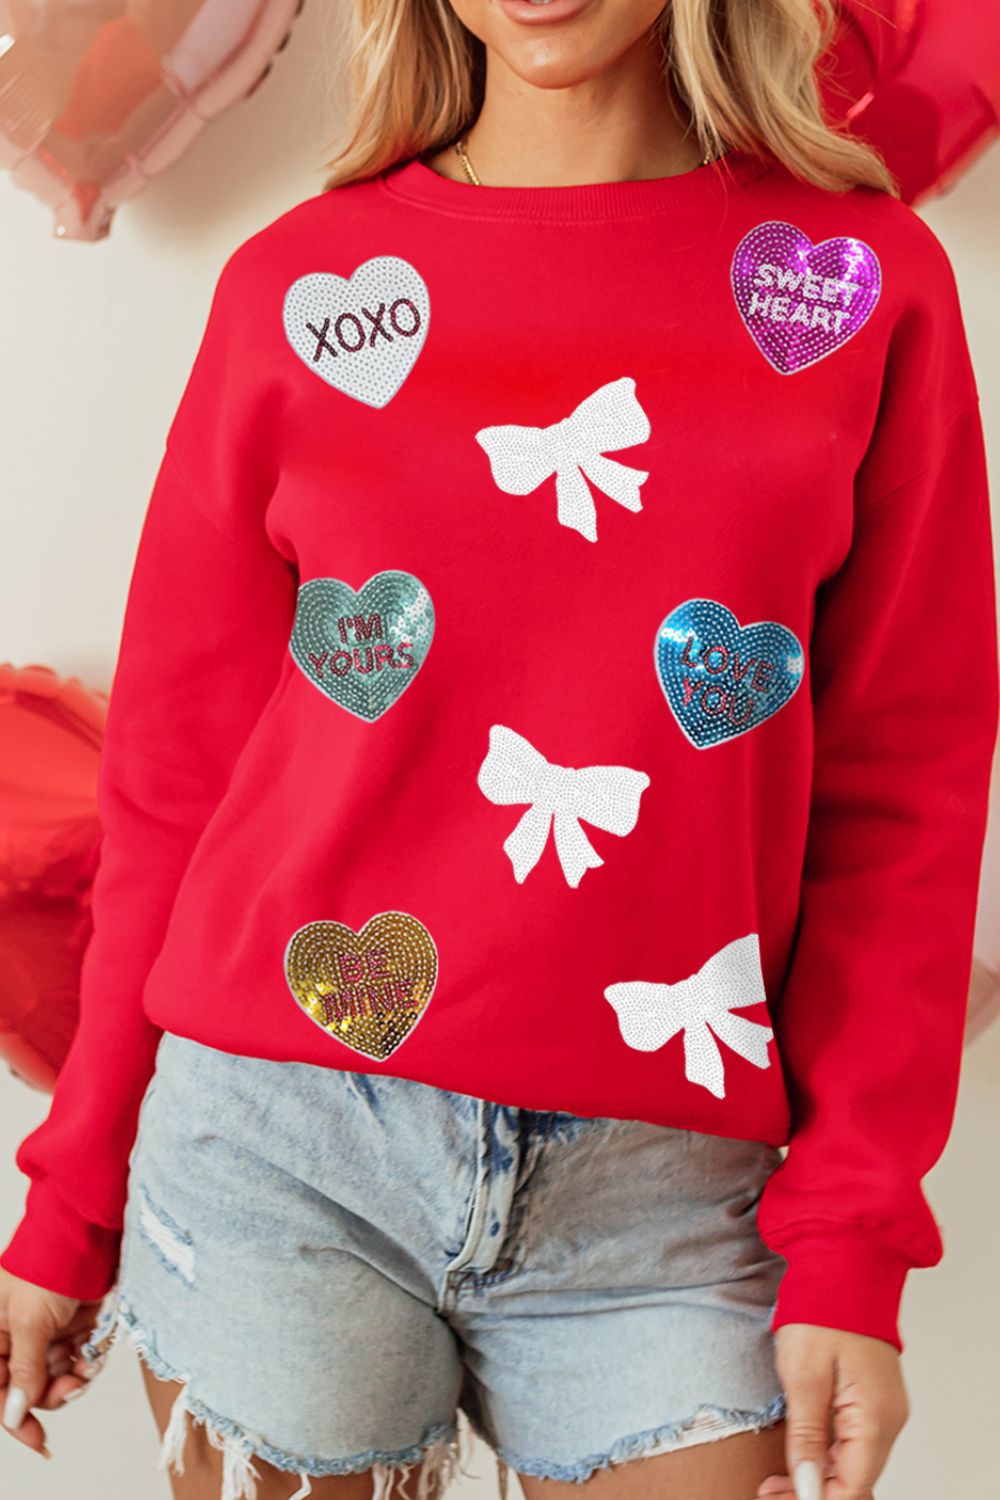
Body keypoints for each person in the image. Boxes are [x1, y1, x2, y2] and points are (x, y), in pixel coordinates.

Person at [1, 1, 997, 1497]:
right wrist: (71, 1199)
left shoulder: (859, 286)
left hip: (675, 1191)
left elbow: (905, 789)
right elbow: (175, 782)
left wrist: (854, 1234)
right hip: (280, 1139)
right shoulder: (299, 288)